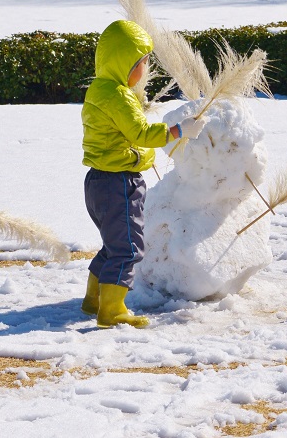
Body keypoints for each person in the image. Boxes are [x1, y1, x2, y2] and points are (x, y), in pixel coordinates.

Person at [81, 20, 206, 328]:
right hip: (118, 182)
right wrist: (179, 130)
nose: (145, 69)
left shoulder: (99, 89)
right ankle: (111, 309)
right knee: (128, 248)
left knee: (114, 243)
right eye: (142, 62)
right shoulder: (119, 95)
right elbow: (141, 133)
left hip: (98, 181)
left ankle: (93, 298)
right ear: (125, 62)